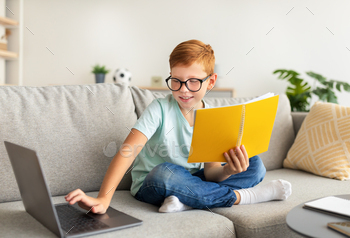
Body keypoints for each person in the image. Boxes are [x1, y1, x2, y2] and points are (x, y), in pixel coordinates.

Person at [65, 39, 292, 214]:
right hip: (153, 184)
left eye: (193, 81)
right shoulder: (159, 109)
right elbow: (128, 151)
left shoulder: (212, 115)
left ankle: (187, 202)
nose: (183, 89)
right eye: (176, 80)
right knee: (166, 172)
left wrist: (229, 170)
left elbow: (212, 173)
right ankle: (245, 197)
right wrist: (104, 198)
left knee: (256, 165)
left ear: (210, 82)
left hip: (193, 181)